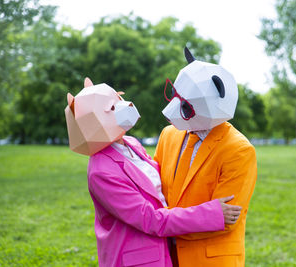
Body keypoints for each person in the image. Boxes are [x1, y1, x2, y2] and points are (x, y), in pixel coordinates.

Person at [64, 77, 242, 267]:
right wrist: (209, 214)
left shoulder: (131, 143)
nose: (126, 106)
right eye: (113, 108)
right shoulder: (101, 172)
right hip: (137, 259)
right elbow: (150, 218)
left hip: (162, 251)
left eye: (119, 100)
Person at [154, 47, 257, 266]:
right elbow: (155, 193)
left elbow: (228, 219)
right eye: (174, 94)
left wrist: (162, 223)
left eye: (185, 107)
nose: (170, 111)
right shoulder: (168, 135)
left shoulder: (239, 150)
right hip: (165, 256)